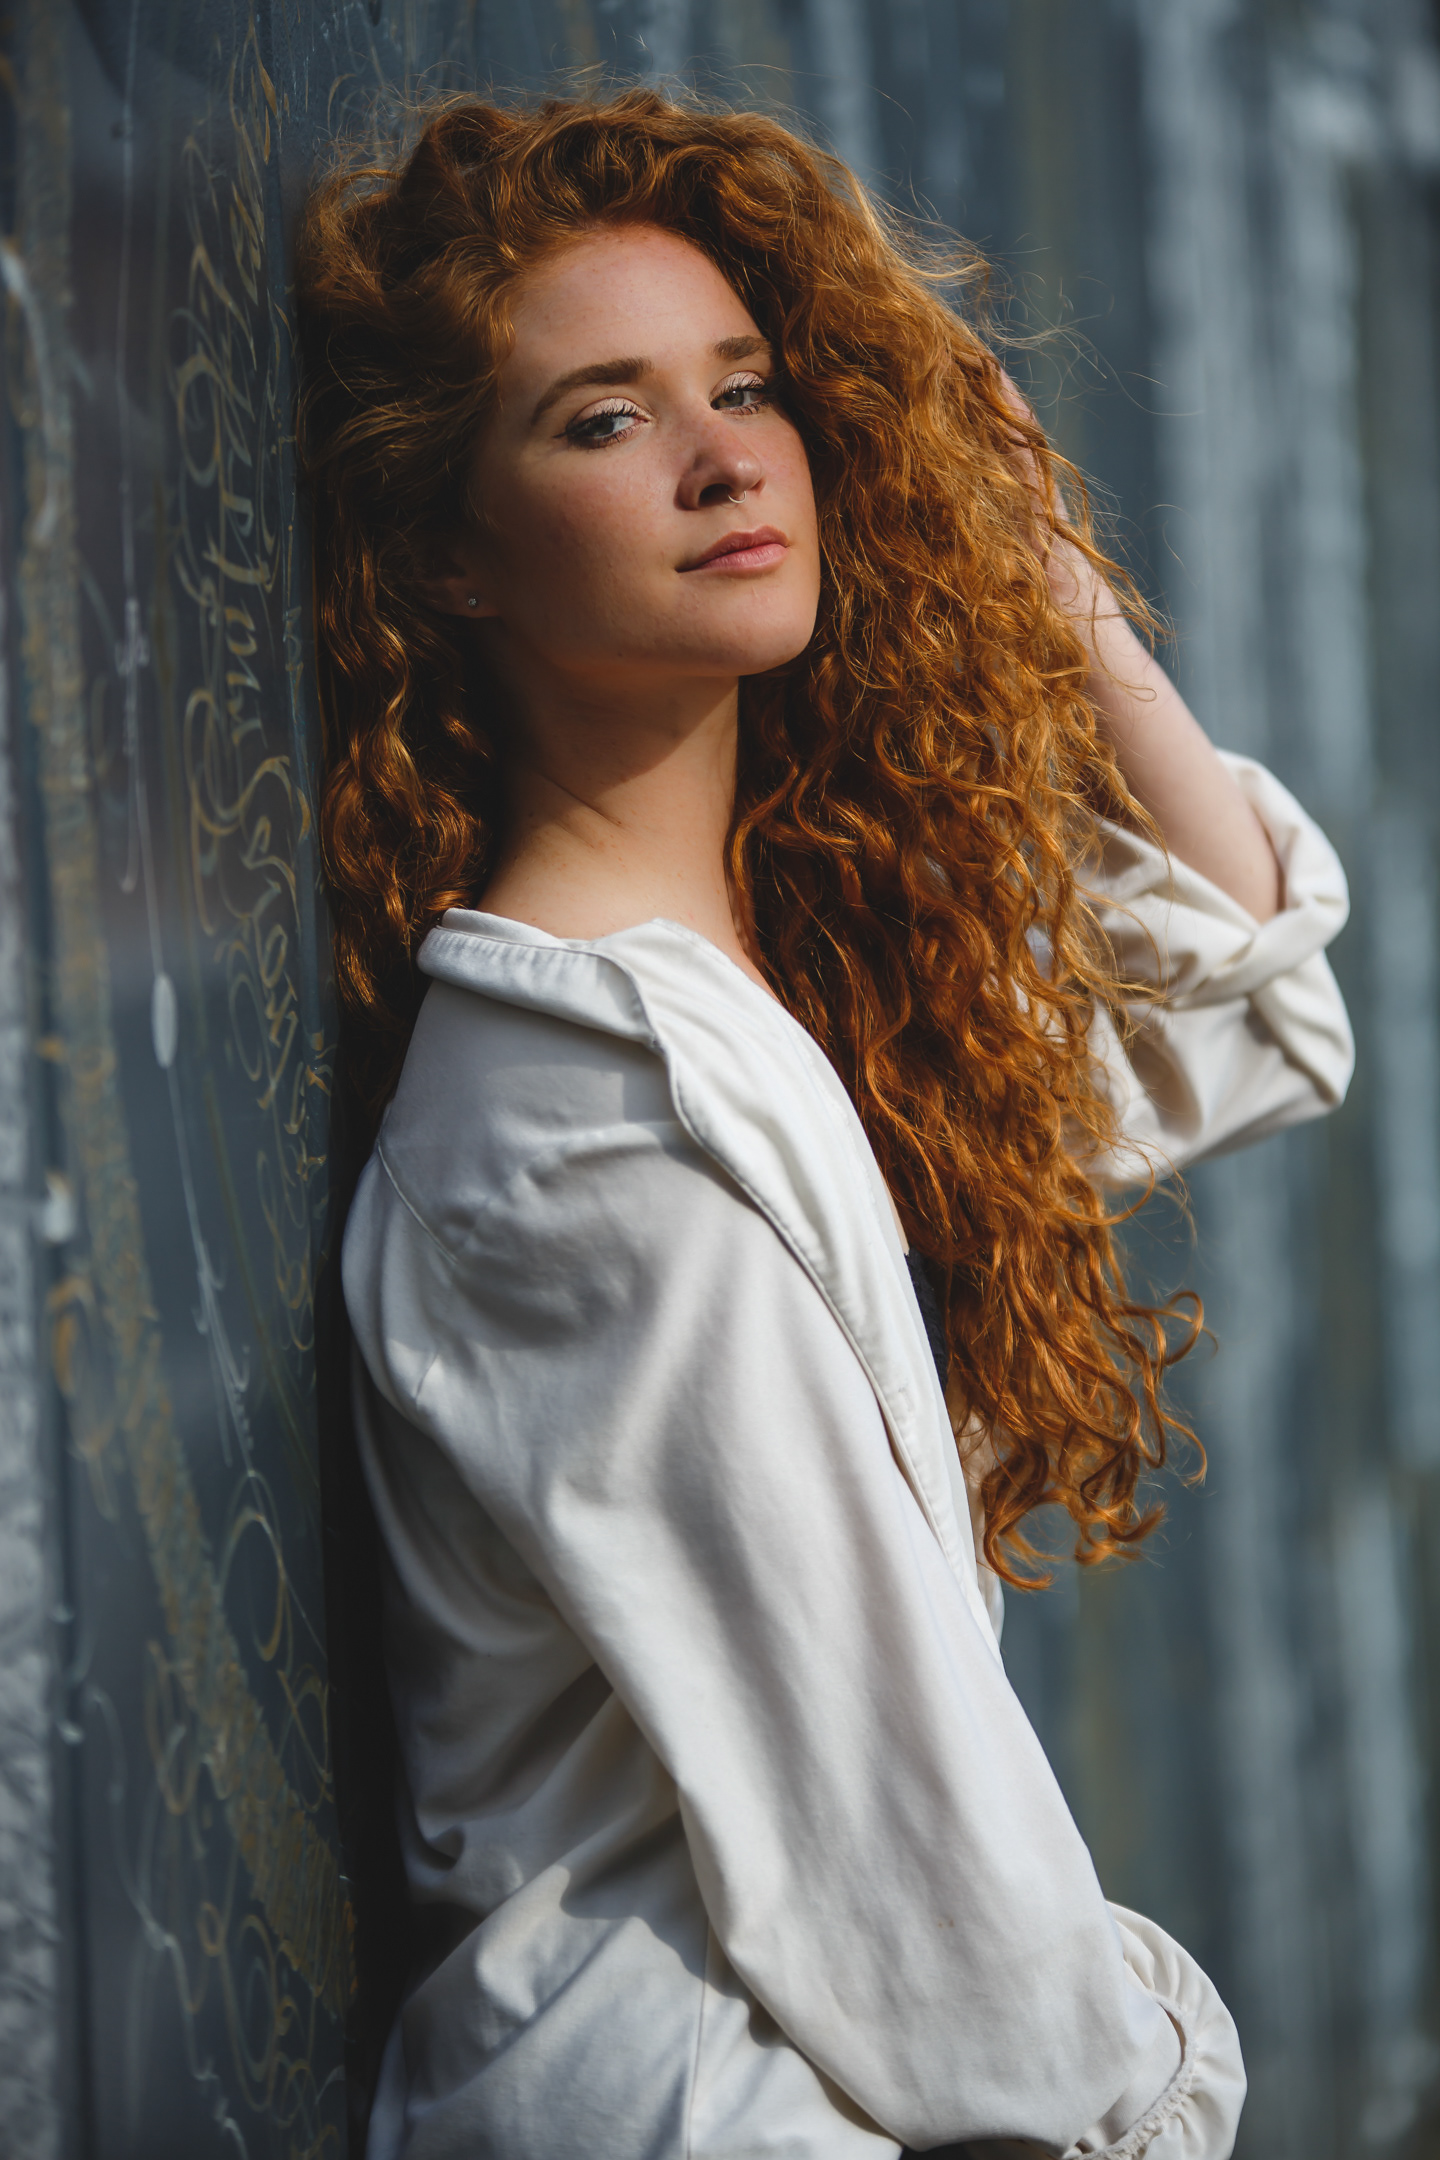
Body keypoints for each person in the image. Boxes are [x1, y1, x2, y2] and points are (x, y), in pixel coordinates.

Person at [298, 89, 1354, 2160]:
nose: (723, 459)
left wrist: (1042, 571)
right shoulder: (596, 1114)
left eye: (751, 386)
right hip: (724, 2094)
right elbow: (928, 1900)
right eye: (606, 420)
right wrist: (1152, 2087)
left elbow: (1256, 1009)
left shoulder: (775, 993)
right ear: (447, 554)